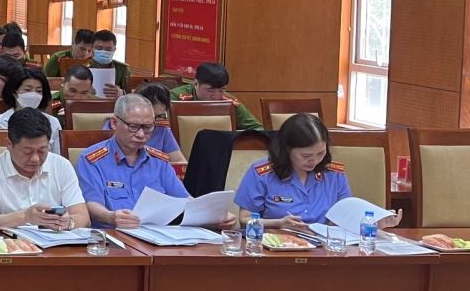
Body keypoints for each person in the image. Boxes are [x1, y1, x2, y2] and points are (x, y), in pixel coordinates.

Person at [76, 94, 234, 230]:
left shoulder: (159, 161)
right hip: (112, 236)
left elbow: (185, 200)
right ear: (114, 123)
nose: (141, 134)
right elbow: (91, 204)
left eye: (147, 127)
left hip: (156, 236)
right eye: (133, 126)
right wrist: (110, 216)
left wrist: (214, 215)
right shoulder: (93, 159)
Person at [232, 113, 394, 232]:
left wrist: (374, 223)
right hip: (276, 248)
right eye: (306, 156)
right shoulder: (263, 173)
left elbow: (344, 218)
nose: (314, 161)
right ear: (287, 149)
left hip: (325, 251)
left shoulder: (334, 174)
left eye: (321, 153)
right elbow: (245, 220)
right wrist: (279, 223)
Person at [0, 108, 89, 233]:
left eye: (42, 150)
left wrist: (69, 222)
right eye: (27, 152)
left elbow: (84, 218)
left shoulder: (61, 166)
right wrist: (25, 217)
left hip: (55, 242)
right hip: (10, 243)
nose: (35, 159)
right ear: (9, 144)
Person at [0, 66, 63, 153]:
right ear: (14, 92)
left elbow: (58, 156)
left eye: (39, 91)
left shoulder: (53, 122)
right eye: (27, 90)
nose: (33, 95)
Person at [172, 62, 263, 131]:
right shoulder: (175, 98)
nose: (216, 96)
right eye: (210, 90)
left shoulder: (229, 101)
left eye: (221, 90)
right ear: (196, 84)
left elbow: (257, 128)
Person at [104, 83, 184, 160]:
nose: (152, 123)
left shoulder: (162, 128)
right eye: (134, 126)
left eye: (159, 116)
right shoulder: (118, 124)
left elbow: (178, 162)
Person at [88, 29, 130, 95]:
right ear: (91, 48)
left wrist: (122, 93)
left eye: (108, 49)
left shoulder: (122, 69)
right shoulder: (83, 67)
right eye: (99, 48)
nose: (103, 52)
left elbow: (131, 93)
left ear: (114, 50)